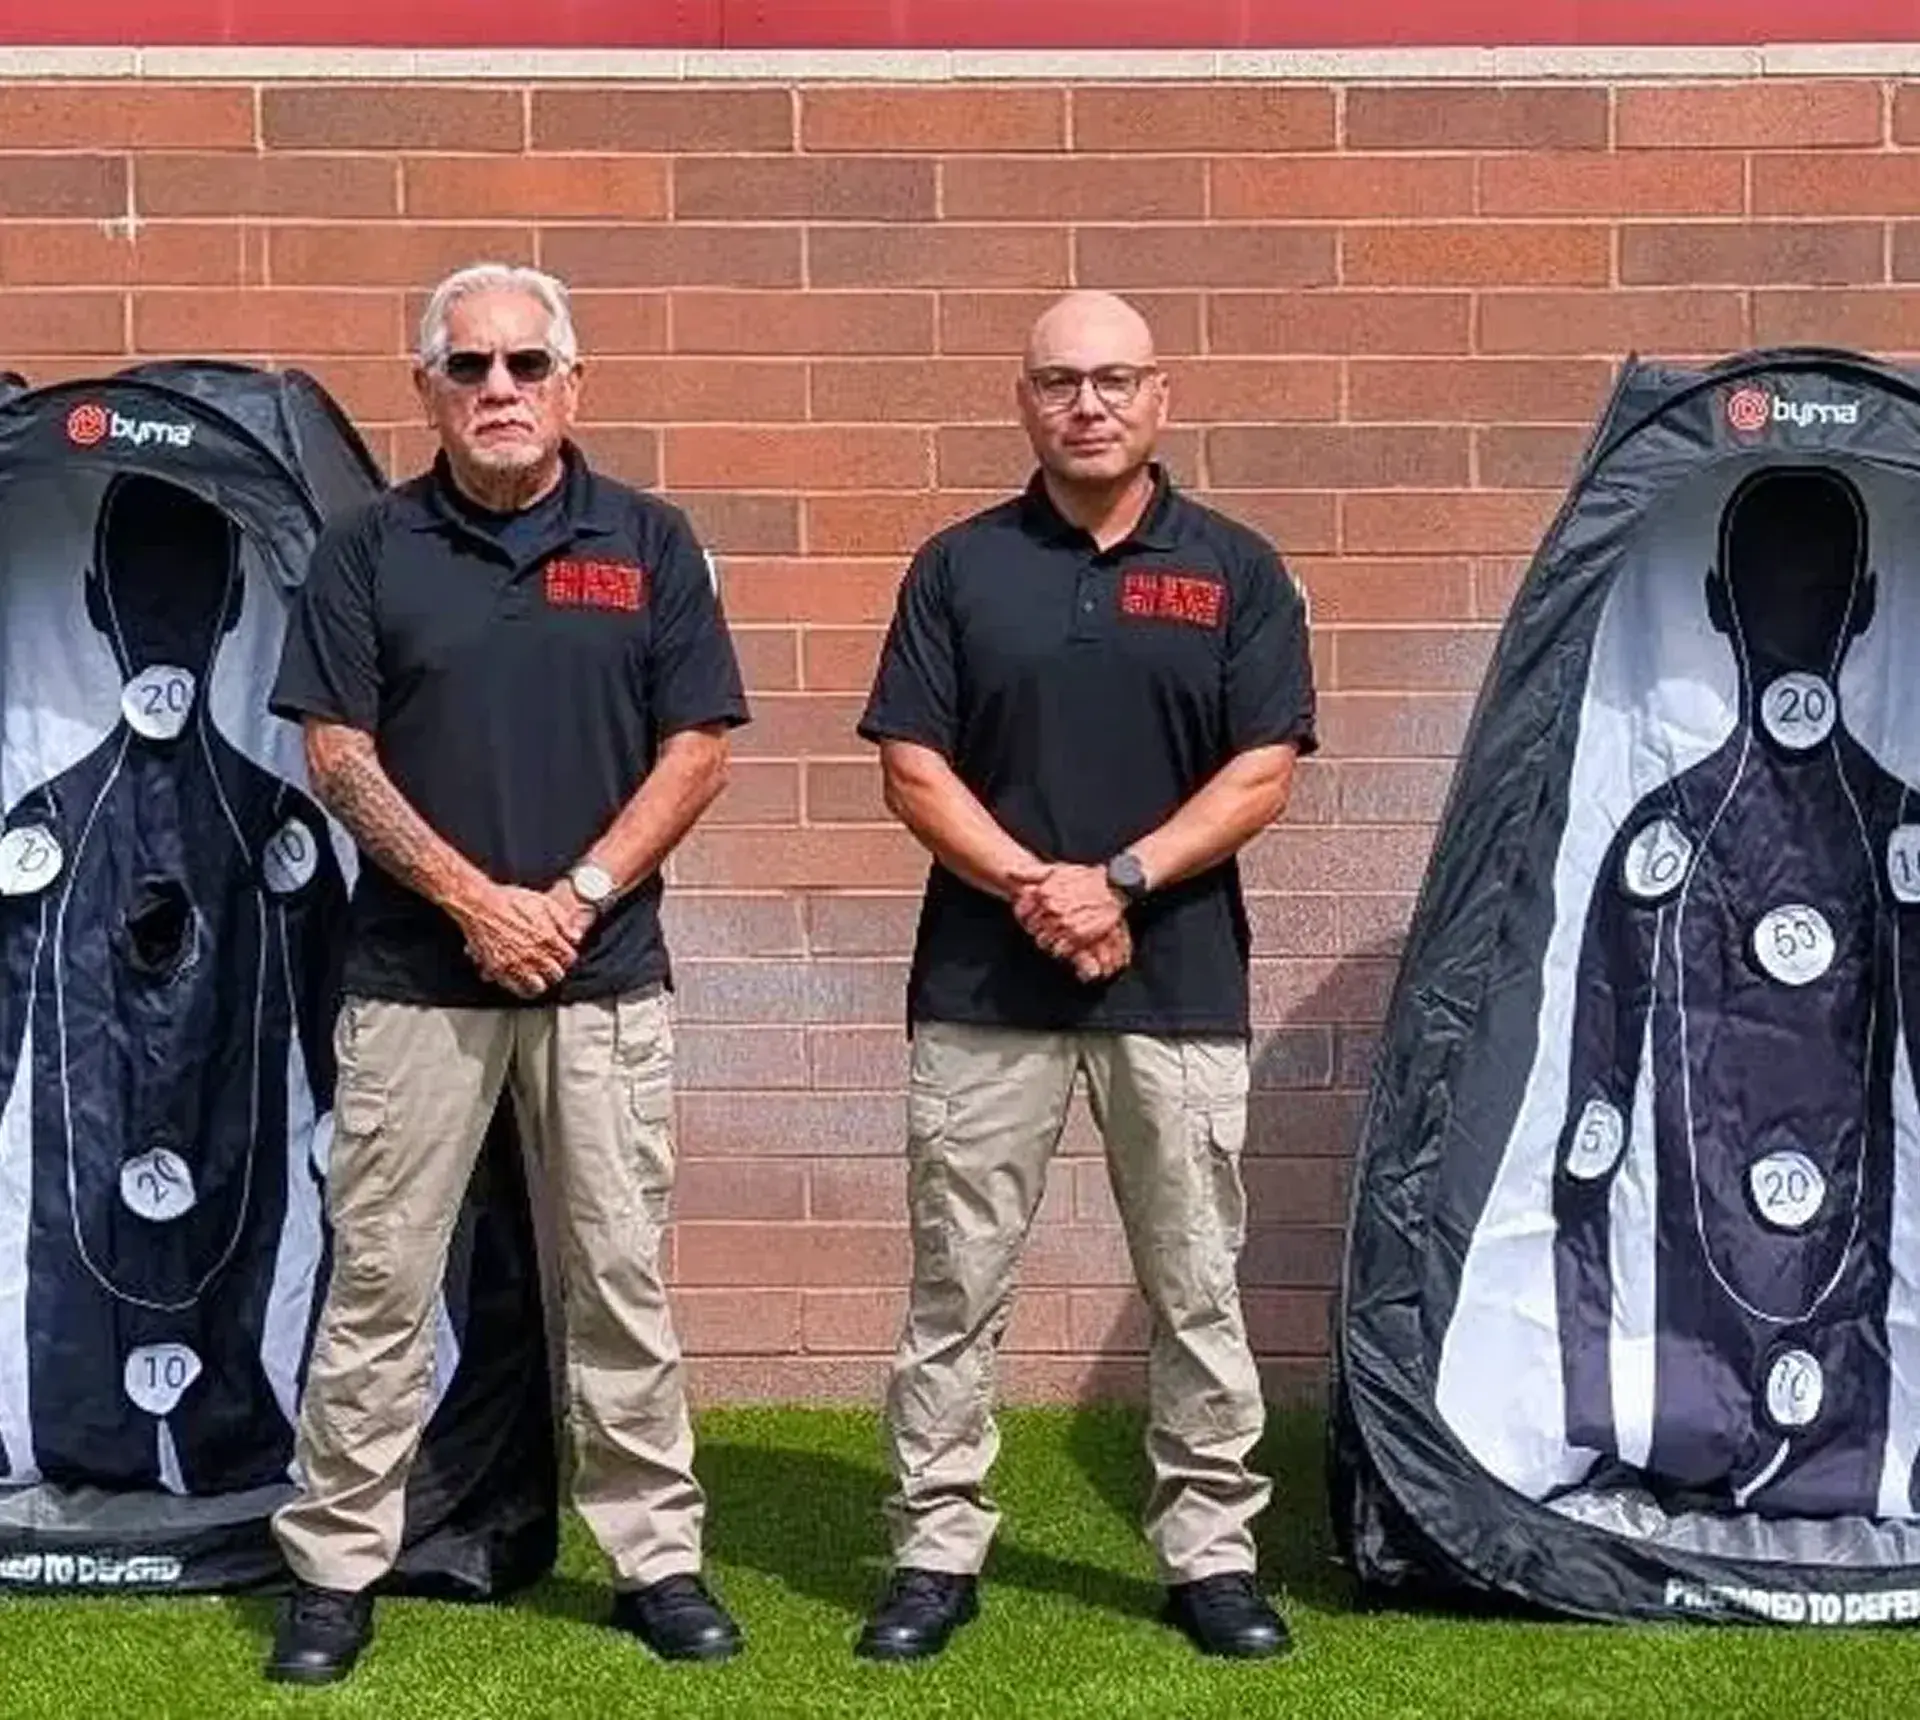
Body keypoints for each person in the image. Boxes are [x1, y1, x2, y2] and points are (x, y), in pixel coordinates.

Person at [262, 262, 749, 1683]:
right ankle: (338, 1568)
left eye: (527, 366)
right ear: (425, 390)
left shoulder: (650, 545)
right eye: (467, 367)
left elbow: (699, 746)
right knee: (378, 1287)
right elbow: (336, 753)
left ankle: (655, 1561)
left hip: (604, 980)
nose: (499, 391)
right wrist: (480, 902)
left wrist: (577, 896)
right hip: (417, 983)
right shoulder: (366, 551)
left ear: (573, 386)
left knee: (619, 1280)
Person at [854, 289, 1317, 1662]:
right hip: (983, 994)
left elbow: (1264, 770)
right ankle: (936, 1547)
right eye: (1059, 381)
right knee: (956, 1279)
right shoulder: (959, 568)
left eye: (1114, 379)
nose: (1088, 404)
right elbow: (911, 765)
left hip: (1171, 986)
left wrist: (1116, 882)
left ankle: (1210, 1553)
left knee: (1194, 1281)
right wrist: (1034, 889)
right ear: (1025, 402)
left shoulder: (1235, 568)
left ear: (1162, 396)